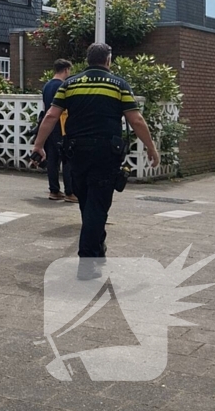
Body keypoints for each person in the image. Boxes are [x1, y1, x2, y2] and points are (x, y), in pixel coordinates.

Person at [32, 43, 160, 272]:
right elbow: (136, 120)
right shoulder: (119, 84)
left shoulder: (69, 84)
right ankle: (88, 263)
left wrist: (39, 145)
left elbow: (51, 115)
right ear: (108, 60)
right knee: (97, 206)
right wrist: (151, 147)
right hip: (105, 154)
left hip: (76, 154)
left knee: (88, 204)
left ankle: (97, 253)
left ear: (88, 60)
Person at [41, 59, 75, 202]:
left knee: (52, 160)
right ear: (66, 69)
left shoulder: (47, 86)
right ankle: (70, 192)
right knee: (67, 160)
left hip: (49, 126)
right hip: (61, 126)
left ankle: (54, 190)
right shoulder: (63, 86)